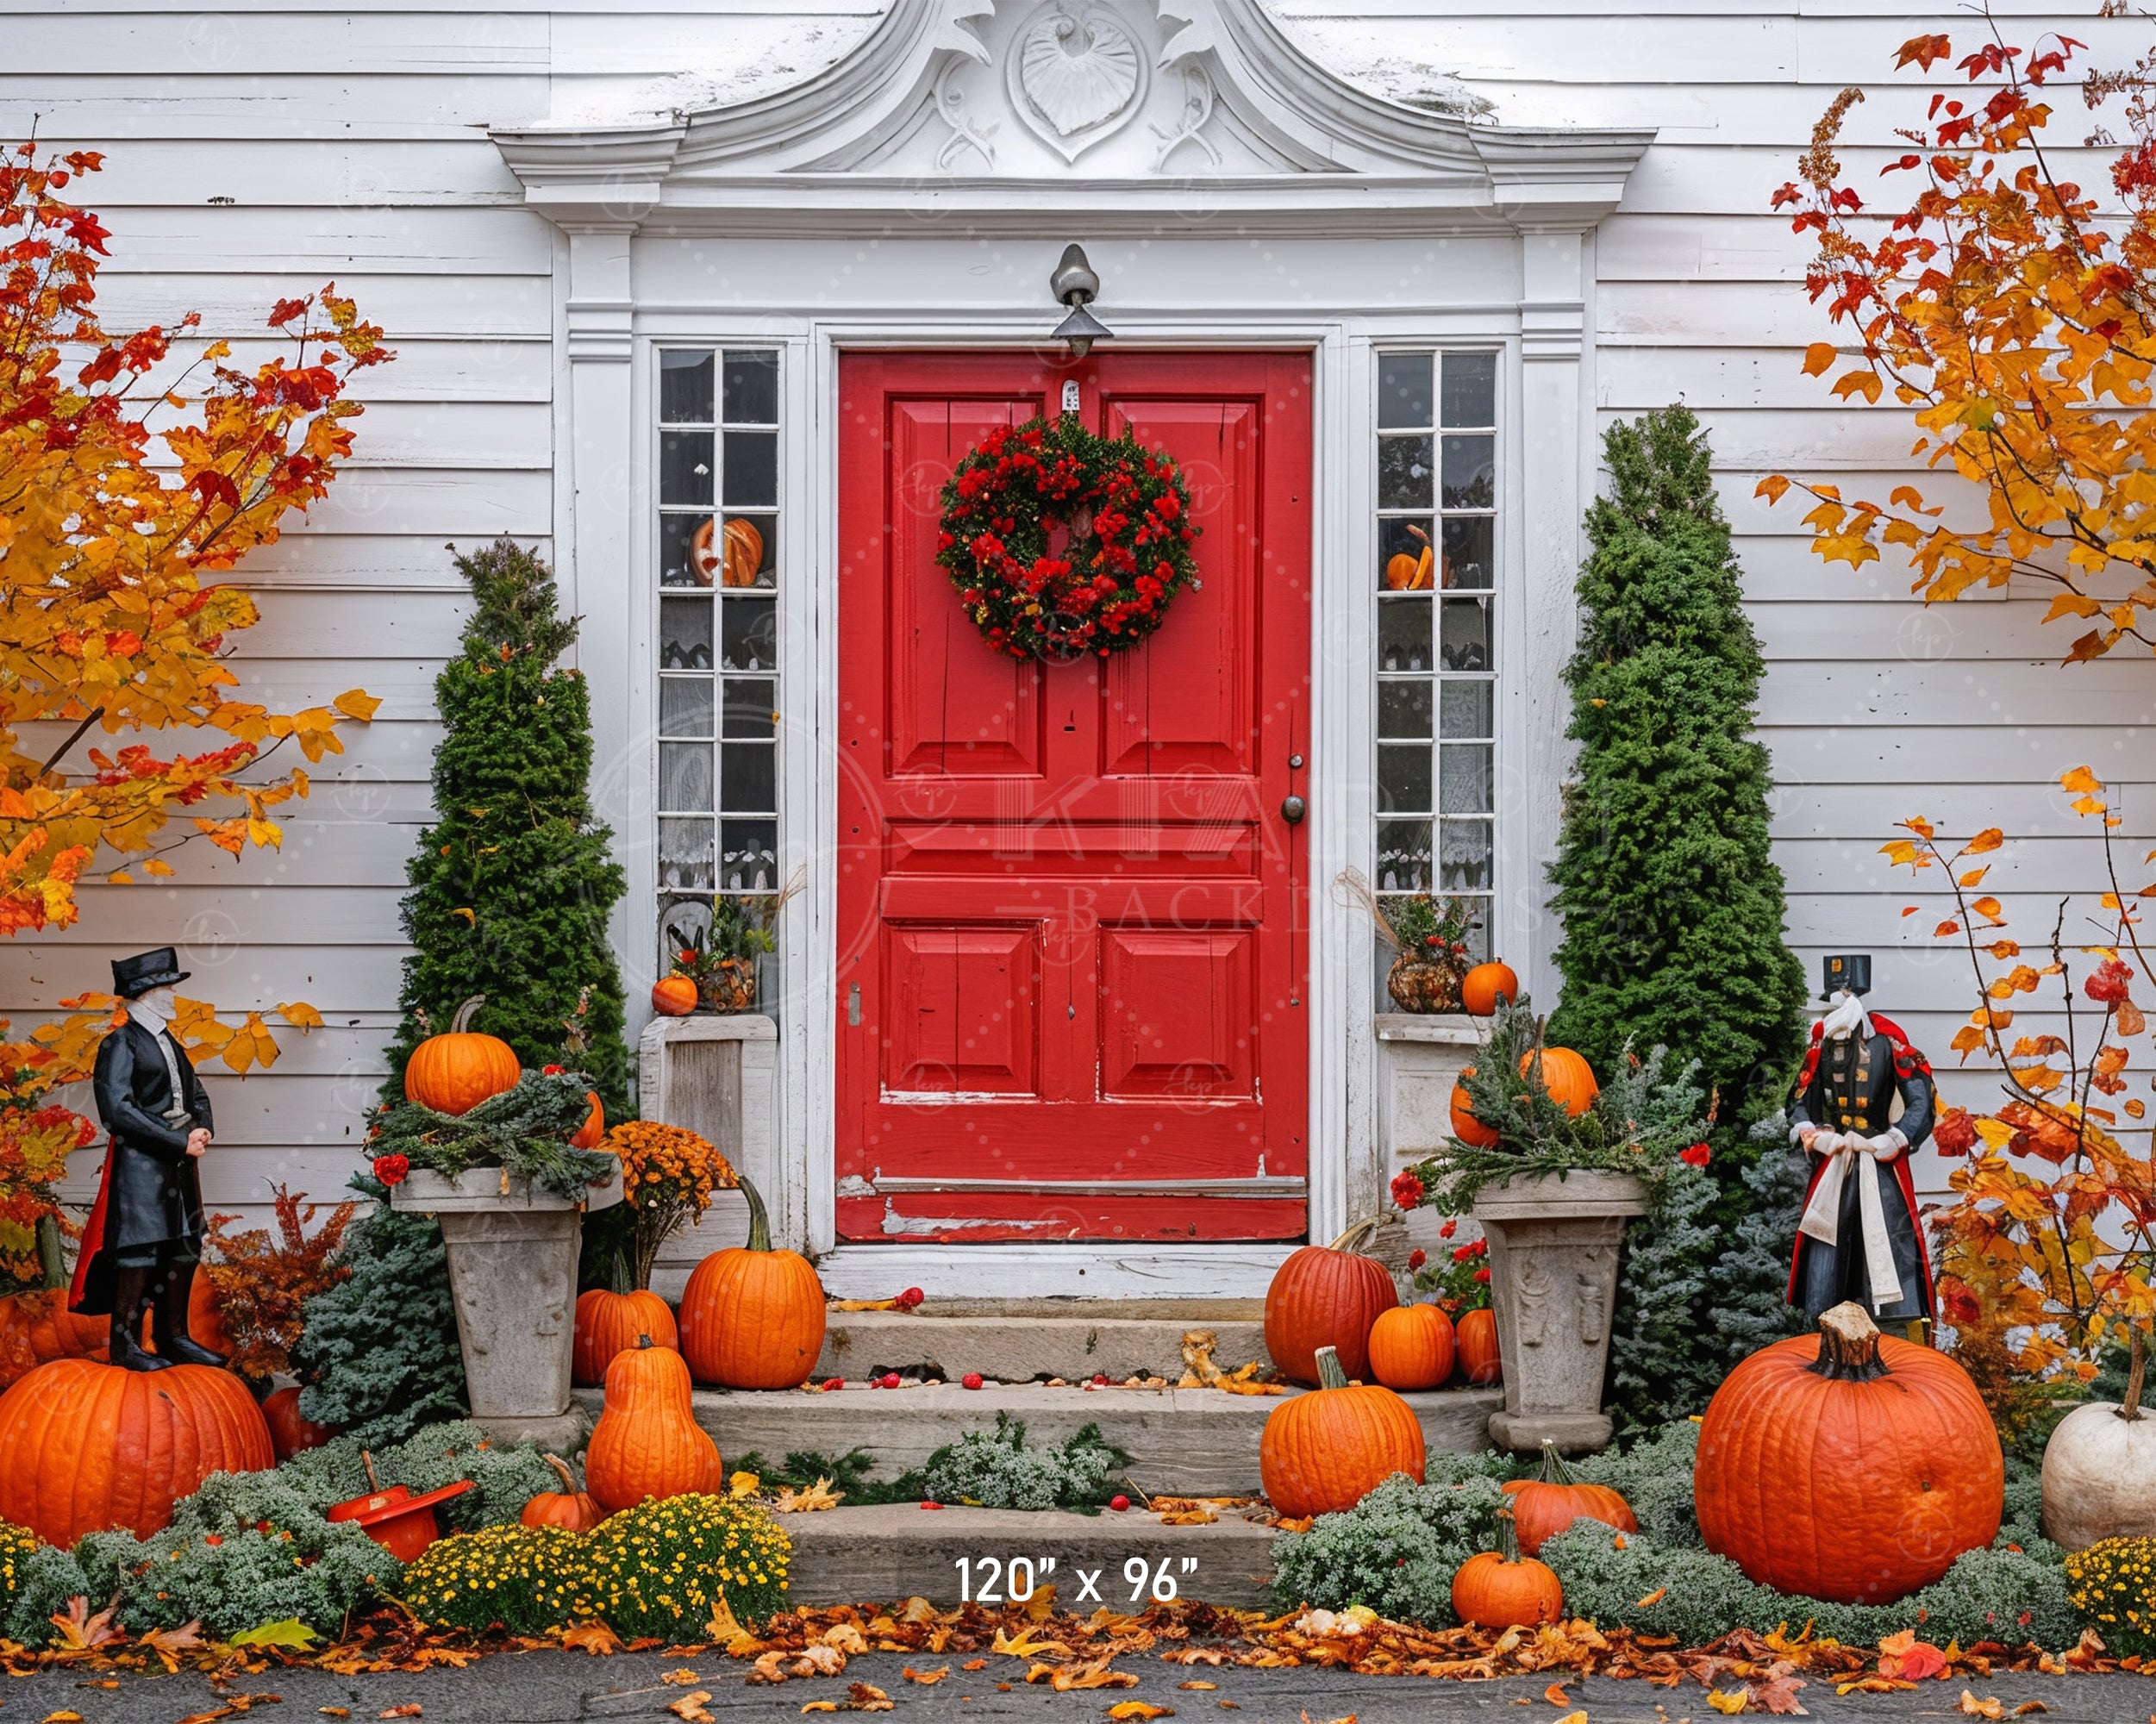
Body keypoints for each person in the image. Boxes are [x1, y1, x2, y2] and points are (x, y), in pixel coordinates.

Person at [67, 947, 227, 1371]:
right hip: (140, 1167)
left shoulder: (171, 1043)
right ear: (146, 993)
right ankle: (126, 1345)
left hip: (180, 1166)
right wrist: (177, 1141)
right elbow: (117, 1110)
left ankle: (173, 1337)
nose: (174, 995)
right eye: (168, 987)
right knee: (138, 1250)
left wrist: (203, 1126)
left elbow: (195, 1093)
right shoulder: (119, 1043)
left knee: (183, 1247)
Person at [1787, 953, 1938, 1326]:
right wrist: (1814, 1136)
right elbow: (1798, 1102)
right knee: (1826, 1249)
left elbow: (1922, 1098)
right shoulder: (1819, 1044)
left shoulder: (1890, 1040)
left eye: (1848, 990)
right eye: (1835, 992)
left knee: (1888, 1241)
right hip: (1833, 1163)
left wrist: (1895, 1138)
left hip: (1878, 1160)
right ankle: (1824, 1325)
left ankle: (1891, 1331)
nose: (1841, 996)